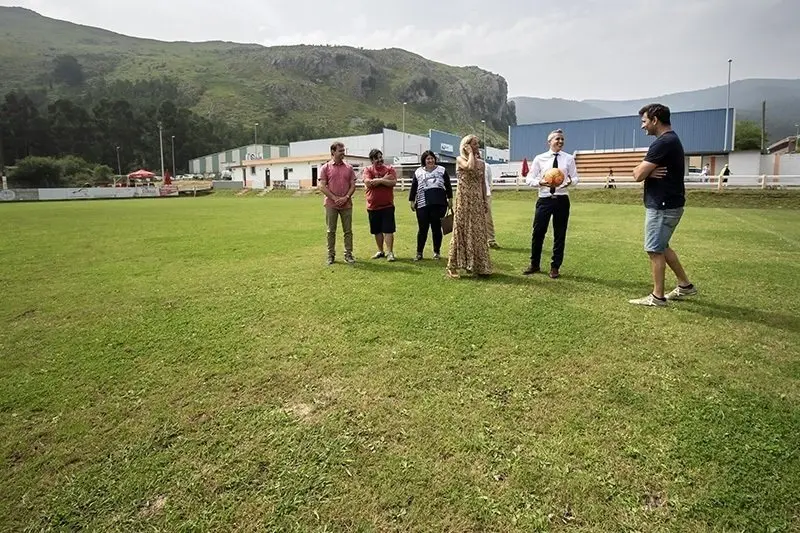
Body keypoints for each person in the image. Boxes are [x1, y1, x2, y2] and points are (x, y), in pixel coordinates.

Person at [629, 103, 697, 306]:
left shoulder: (663, 142)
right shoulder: (670, 140)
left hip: (663, 206)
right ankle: (685, 285)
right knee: (662, 246)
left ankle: (657, 297)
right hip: (669, 204)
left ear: (655, 120)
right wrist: (648, 170)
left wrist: (646, 171)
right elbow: (640, 172)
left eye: (644, 121)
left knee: (654, 250)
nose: (643, 126)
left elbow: (638, 174)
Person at [522, 129, 579, 279]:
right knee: (538, 232)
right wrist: (539, 182)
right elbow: (529, 179)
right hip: (544, 199)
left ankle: (555, 267)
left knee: (560, 234)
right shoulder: (539, 159)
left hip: (562, 199)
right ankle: (534, 264)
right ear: (549, 142)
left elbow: (575, 178)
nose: (560, 142)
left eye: (562, 139)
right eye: (557, 139)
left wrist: (568, 182)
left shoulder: (568, 159)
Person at [446, 135, 491, 278]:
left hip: (477, 200)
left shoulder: (482, 164)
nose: (478, 146)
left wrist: (485, 201)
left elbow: (482, 184)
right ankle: (452, 266)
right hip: (463, 201)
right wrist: (470, 153)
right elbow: (469, 167)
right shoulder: (460, 160)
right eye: (474, 144)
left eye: (478, 144)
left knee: (478, 232)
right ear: (466, 145)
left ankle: (479, 266)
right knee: (461, 230)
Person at [409, 150, 452, 260]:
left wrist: (450, 199)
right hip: (422, 204)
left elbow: (448, 185)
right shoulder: (418, 172)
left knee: (436, 228)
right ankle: (419, 253)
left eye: (432, 158)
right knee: (422, 229)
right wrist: (412, 201)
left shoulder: (442, 170)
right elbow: (414, 187)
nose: (430, 160)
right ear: (424, 160)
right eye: (428, 158)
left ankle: (436, 252)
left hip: (439, 203)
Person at [318, 141, 356, 265]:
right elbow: (322, 187)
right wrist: (335, 198)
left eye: (343, 150)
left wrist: (346, 197)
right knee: (331, 231)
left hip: (347, 204)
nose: (343, 153)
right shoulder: (325, 168)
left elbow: (353, 185)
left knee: (348, 231)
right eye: (340, 151)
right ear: (333, 152)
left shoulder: (349, 168)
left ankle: (348, 254)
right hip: (331, 205)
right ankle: (330, 255)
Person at [362, 148, 397, 262]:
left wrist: (378, 181)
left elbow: (392, 182)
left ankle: (390, 252)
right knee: (377, 230)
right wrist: (383, 179)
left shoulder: (390, 168)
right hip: (372, 206)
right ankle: (380, 251)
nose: (380, 160)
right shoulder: (367, 169)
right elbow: (368, 183)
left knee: (388, 230)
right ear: (372, 160)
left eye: (381, 157)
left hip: (387, 205)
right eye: (377, 158)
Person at [480, 151, 500, 248]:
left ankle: (491, 239)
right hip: (474, 196)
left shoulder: (486, 166)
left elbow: (489, 180)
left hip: (486, 195)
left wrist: (487, 193)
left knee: (488, 218)